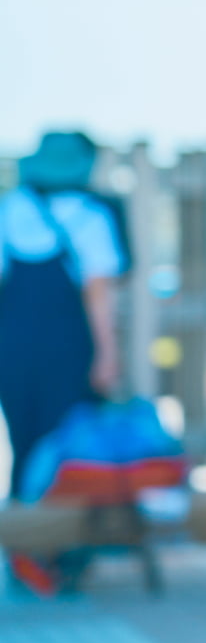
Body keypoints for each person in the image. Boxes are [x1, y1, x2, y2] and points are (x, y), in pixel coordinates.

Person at [0, 131, 125, 592]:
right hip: (70, 349)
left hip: (12, 349)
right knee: (69, 451)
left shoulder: (9, 209)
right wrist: (108, 355)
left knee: (25, 446)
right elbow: (99, 294)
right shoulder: (92, 216)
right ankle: (64, 556)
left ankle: (21, 554)